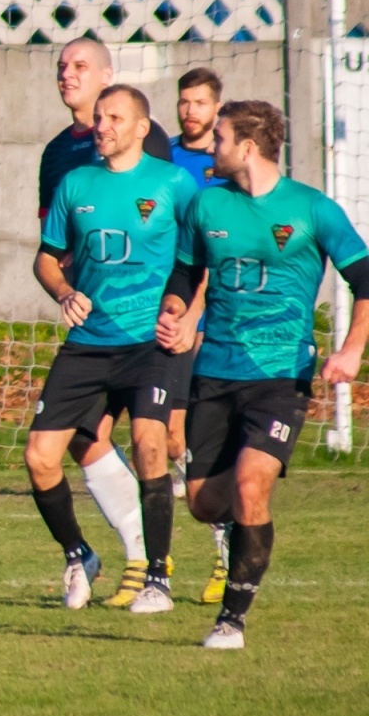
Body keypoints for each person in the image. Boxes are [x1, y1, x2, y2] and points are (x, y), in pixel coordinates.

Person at [157, 99, 369, 650]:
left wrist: (351, 351)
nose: (212, 147)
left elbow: (366, 281)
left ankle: (232, 619)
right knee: (204, 503)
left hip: (281, 375)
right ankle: (238, 530)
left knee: (253, 485)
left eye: (220, 138)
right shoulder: (205, 207)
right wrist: (175, 311)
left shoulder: (312, 209)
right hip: (214, 372)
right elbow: (185, 270)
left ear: (247, 147)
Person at [26, 86, 199, 613]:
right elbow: (47, 258)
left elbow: (204, 258)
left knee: (152, 442)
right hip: (88, 343)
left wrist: (189, 318)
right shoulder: (75, 183)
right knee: (40, 457)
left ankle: (157, 579)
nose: (102, 126)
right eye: (99, 118)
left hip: (151, 341)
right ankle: (79, 554)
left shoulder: (173, 184)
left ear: (142, 128)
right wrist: (63, 290)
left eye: (114, 118)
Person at [167, 66, 233, 605]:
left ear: (217, 107)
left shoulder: (229, 164)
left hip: (215, 320)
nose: (190, 111)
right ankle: (157, 555)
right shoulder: (164, 158)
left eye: (200, 102)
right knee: (167, 437)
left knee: (206, 442)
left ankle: (224, 553)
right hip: (171, 312)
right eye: (184, 101)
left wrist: (199, 308)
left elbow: (217, 246)